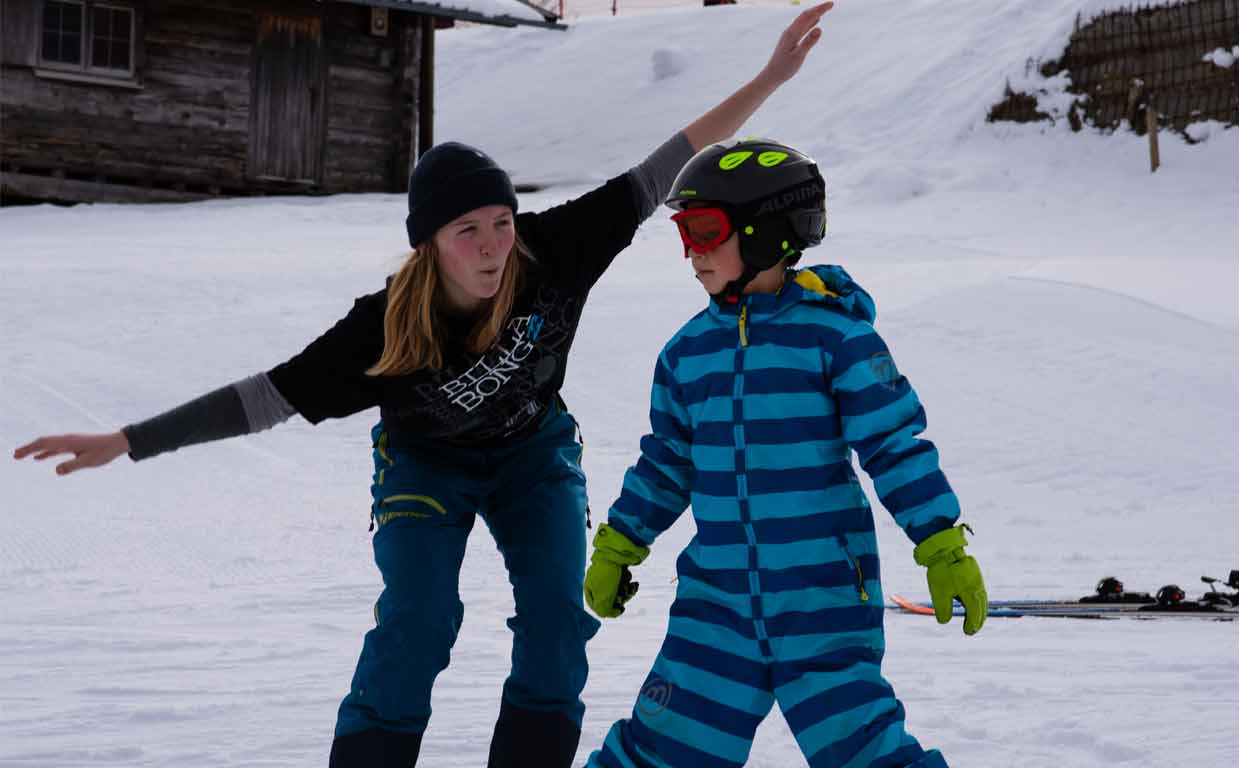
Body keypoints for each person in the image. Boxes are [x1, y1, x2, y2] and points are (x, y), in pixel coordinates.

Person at [10, 5, 834, 766]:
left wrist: (771, 78)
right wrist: (126, 439)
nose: (491, 247)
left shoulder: (557, 247)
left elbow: (667, 165)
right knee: (420, 619)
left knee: (555, 622)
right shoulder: (383, 326)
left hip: (534, 457)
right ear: (429, 243)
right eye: (466, 231)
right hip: (425, 468)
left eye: (501, 223)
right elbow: (265, 398)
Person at [580, 138, 988, 768]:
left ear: (767, 232)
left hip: (822, 603)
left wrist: (940, 542)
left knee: (866, 755)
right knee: (659, 752)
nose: (693, 253)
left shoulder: (836, 339)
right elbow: (666, 463)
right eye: (683, 234)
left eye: (706, 231)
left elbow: (894, 445)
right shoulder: (687, 355)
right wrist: (619, 544)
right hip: (715, 607)